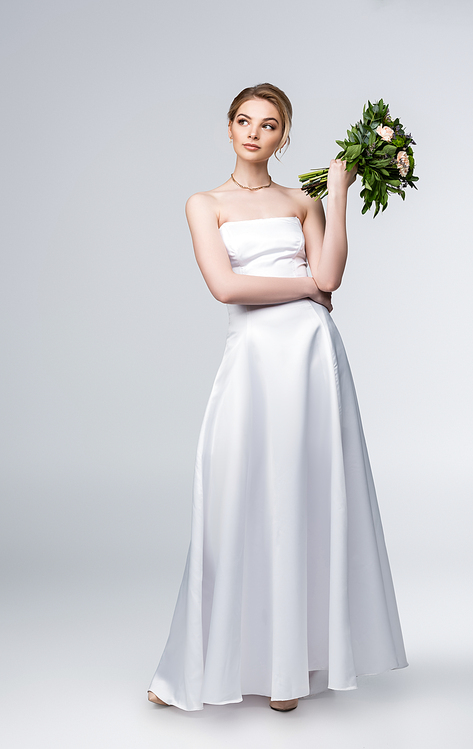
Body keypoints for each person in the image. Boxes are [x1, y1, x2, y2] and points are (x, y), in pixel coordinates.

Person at [148, 83, 408, 713]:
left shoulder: (303, 199)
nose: (254, 133)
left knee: (305, 497)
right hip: (256, 362)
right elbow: (226, 286)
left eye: (268, 125)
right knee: (236, 499)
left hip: (313, 359)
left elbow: (331, 277)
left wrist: (339, 195)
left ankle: (289, 671)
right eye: (244, 120)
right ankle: (195, 666)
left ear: (283, 136)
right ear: (229, 128)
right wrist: (303, 286)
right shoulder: (203, 203)